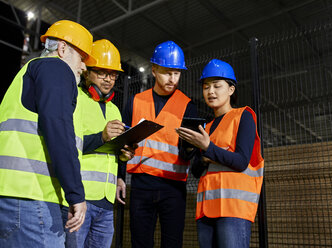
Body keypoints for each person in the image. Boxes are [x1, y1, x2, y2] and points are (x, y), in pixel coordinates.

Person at [0, 20, 96, 247]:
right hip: (32, 199)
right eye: (82, 58)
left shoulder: (27, 73)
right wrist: (76, 194)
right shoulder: (56, 67)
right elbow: (58, 126)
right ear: (62, 49)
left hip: (10, 196)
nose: (83, 67)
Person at [175, 59, 264, 248]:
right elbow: (197, 171)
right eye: (206, 87)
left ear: (231, 90)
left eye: (217, 86)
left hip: (233, 211)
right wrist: (196, 150)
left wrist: (208, 150)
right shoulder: (206, 127)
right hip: (206, 211)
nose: (211, 92)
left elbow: (241, 161)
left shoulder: (243, 116)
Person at [122, 40, 198, 248]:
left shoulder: (188, 107)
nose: (173, 79)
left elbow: (189, 151)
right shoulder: (135, 101)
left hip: (173, 188)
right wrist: (120, 177)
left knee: (172, 243)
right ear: (154, 70)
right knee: (140, 242)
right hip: (140, 186)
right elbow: (122, 144)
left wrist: (191, 148)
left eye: (177, 73)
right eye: (167, 72)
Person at [62, 39, 135, 248]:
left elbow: (111, 151)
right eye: (102, 72)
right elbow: (66, 145)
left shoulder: (114, 109)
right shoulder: (75, 99)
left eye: (113, 74)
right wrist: (101, 137)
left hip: (106, 201)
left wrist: (123, 155)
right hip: (80, 199)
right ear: (87, 71)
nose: (108, 79)